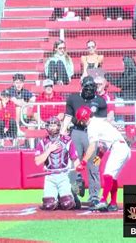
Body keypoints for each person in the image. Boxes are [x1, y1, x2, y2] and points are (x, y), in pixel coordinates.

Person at [60, 76, 108, 207]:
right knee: (74, 165)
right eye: (87, 88)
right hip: (76, 131)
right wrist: (62, 132)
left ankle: (94, 196)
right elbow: (68, 116)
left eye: (92, 88)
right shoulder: (73, 98)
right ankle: (73, 195)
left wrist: (102, 139)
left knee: (94, 166)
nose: (89, 91)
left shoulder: (100, 101)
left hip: (93, 134)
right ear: (81, 86)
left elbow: (102, 122)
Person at [74, 106, 131, 212]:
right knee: (112, 178)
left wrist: (83, 162)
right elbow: (103, 148)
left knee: (107, 175)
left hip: (118, 148)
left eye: (81, 120)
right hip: (123, 148)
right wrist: (97, 159)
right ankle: (113, 203)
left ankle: (103, 201)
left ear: (84, 118)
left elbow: (92, 146)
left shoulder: (92, 126)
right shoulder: (98, 122)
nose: (81, 122)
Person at [35, 117, 81, 211]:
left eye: (54, 125)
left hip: (63, 175)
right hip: (50, 176)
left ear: (58, 126)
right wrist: (49, 150)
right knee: (48, 206)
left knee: (67, 204)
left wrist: (78, 174)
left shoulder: (67, 140)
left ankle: (72, 197)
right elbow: (38, 161)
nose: (52, 127)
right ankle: (56, 199)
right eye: (50, 125)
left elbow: (75, 158)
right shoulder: (42, 142)